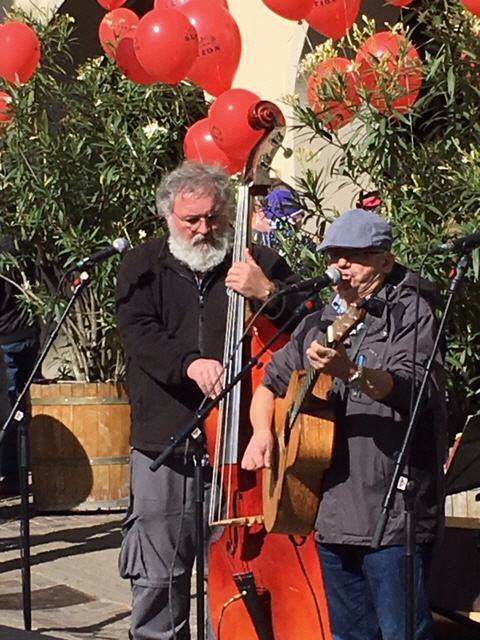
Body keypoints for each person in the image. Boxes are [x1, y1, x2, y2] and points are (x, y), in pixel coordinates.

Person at [115, 161, 307, 640]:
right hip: (167, 440)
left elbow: (308, 324)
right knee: (159, 573)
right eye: (191, 220)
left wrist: (269, 292)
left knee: (245, 569)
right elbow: (138, 333)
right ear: (168, 217)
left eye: (214, 218)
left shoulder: (257, 259)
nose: (204, 229)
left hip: (245, 441)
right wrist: (190, 364)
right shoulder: (142, 266)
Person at [242, 208, 447, 640]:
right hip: (331, 511)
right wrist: (263, 432)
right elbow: (269, 386)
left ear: (385, 261)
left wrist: (351, 371)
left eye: (353, 258)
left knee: (402, 633)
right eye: (334, 256)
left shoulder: (410, 313)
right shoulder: (319, 321)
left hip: (390, 513)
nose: (340, 267)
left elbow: (415, 388)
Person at [0, 236, 40, 496]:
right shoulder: (19, 241)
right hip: (28, 333)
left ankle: (13, 473)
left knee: (7, 411)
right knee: (20, 410)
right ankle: (17, 472)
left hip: (6, 338)